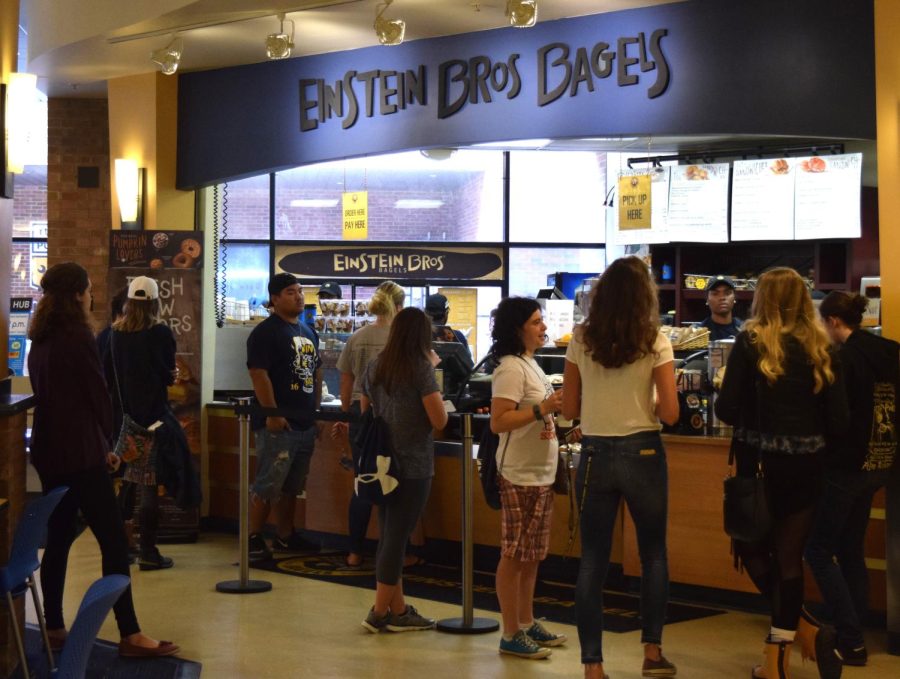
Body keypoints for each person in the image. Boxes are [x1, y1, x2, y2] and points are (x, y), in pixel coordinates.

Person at [27, 262, 178, 658]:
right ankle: (130, 634)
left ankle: (54, 624)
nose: (93, 295)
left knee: (59, 537)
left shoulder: (39, 335)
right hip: (81, 452)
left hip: (48, 450)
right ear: (78, 293)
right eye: (89, 289)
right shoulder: (78, 334)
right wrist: (108, 447)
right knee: (113, 541)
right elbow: (97, 396)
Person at [715, 267, 849, 679]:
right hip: (807, 468)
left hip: (759, 467)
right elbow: (840, 420)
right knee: (790, 560)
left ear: (761, 299)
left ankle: (787, 646)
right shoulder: (821, 348)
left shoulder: (750, 341)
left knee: (753, 551)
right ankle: (788, 642)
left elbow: (726, 410)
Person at [561, 256, 680, 679]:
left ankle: (593, 666)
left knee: (592, 561)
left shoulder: (580, 338)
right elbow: (670, 413)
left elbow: (570, 407)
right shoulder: (656, 339)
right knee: (653, 556)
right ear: (644, 296)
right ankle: (652, 653)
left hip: (594, 453)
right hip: (643, 453)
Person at [804, 291, 899, 669]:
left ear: (833, 323)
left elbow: (838, 419)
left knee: (817, 551)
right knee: (850, 548)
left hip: (846, 466)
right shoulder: (889, 351)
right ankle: (855, 627)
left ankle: (851, 639)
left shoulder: (842, 360)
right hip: (882, 461)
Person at [359, 307, 448, 633]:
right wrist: (434, 372)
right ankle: (379, 611)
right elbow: (439, 420)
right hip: (413, 465)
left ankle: (398, 609)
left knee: (388, 535)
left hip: (382, 463)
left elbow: (365, 411)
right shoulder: (421, 369)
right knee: (397, 540)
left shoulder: (375, 366)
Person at [489, 296, 567, 660]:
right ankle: (509, 632)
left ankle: (526, 619)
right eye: (537, 322)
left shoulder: (531, 364)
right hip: (518, 473)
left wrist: (556, 421)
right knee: (515, 553)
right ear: (518, 328)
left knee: (533, 555)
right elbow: (499, 421)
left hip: (541, 473)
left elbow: (539, 416)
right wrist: (542, 409)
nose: (544, 328)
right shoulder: (510, 368)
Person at [108, 276, 201, 571]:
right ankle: (148, 550)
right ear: (154, 302)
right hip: (152, 421)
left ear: (129, 302)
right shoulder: (159, 333)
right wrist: (171, 375)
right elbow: (166, 375)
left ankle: (121, 547)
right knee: (148, 486)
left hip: (123, 422)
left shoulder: (114, 335)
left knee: (127, 483)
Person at [246, 272, 323, 561]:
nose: (299, 296)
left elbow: (316, 373)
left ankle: (286, 535)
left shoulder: (308, 332)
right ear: (275, 299)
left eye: (301, 290)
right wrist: (272, 412)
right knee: (269, 481)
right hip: (278, 422)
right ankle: (253, 536)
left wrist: (314, 413)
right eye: (291, 291)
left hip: (303, 420)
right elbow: (258, 373)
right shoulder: (266, 332)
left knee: (292, 485)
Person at [332, 280, 405, 568]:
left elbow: (346, 378)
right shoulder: (400, 340)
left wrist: (346, 413)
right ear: (398, 307)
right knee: (395, 483)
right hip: (394, 416)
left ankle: (354, 551)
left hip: (361, 416)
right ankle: (393, 555)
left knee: (362, 481)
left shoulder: (358, 337)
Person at [697, 275, 743, 340]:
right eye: (715, 294)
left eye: (727, 293)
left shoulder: (744, 330)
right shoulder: (698, 334)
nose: (722, 298)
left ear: (734, 298)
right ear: (707, 299)